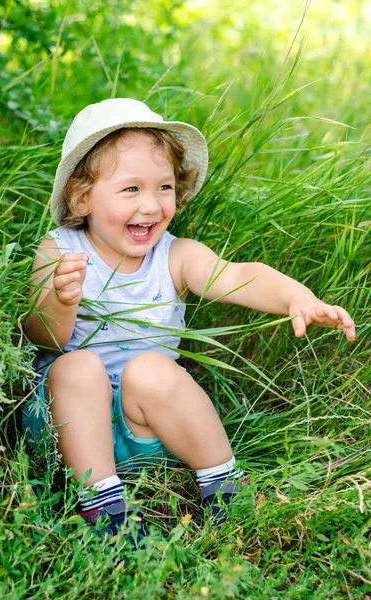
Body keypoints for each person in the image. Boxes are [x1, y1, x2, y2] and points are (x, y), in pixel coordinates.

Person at [24, 98, 356, 546]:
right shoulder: (59, 251)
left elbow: (237, 275)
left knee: (153, 369)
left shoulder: (174, 256)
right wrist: (61, 300)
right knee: (77, 367)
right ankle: (103, 506)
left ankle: (224, 486)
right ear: (82, 197)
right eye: (130, 189)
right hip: (70, 430)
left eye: (163, 187)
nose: (152, 204)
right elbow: (43, 336)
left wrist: (297, 296)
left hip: (148, 430)